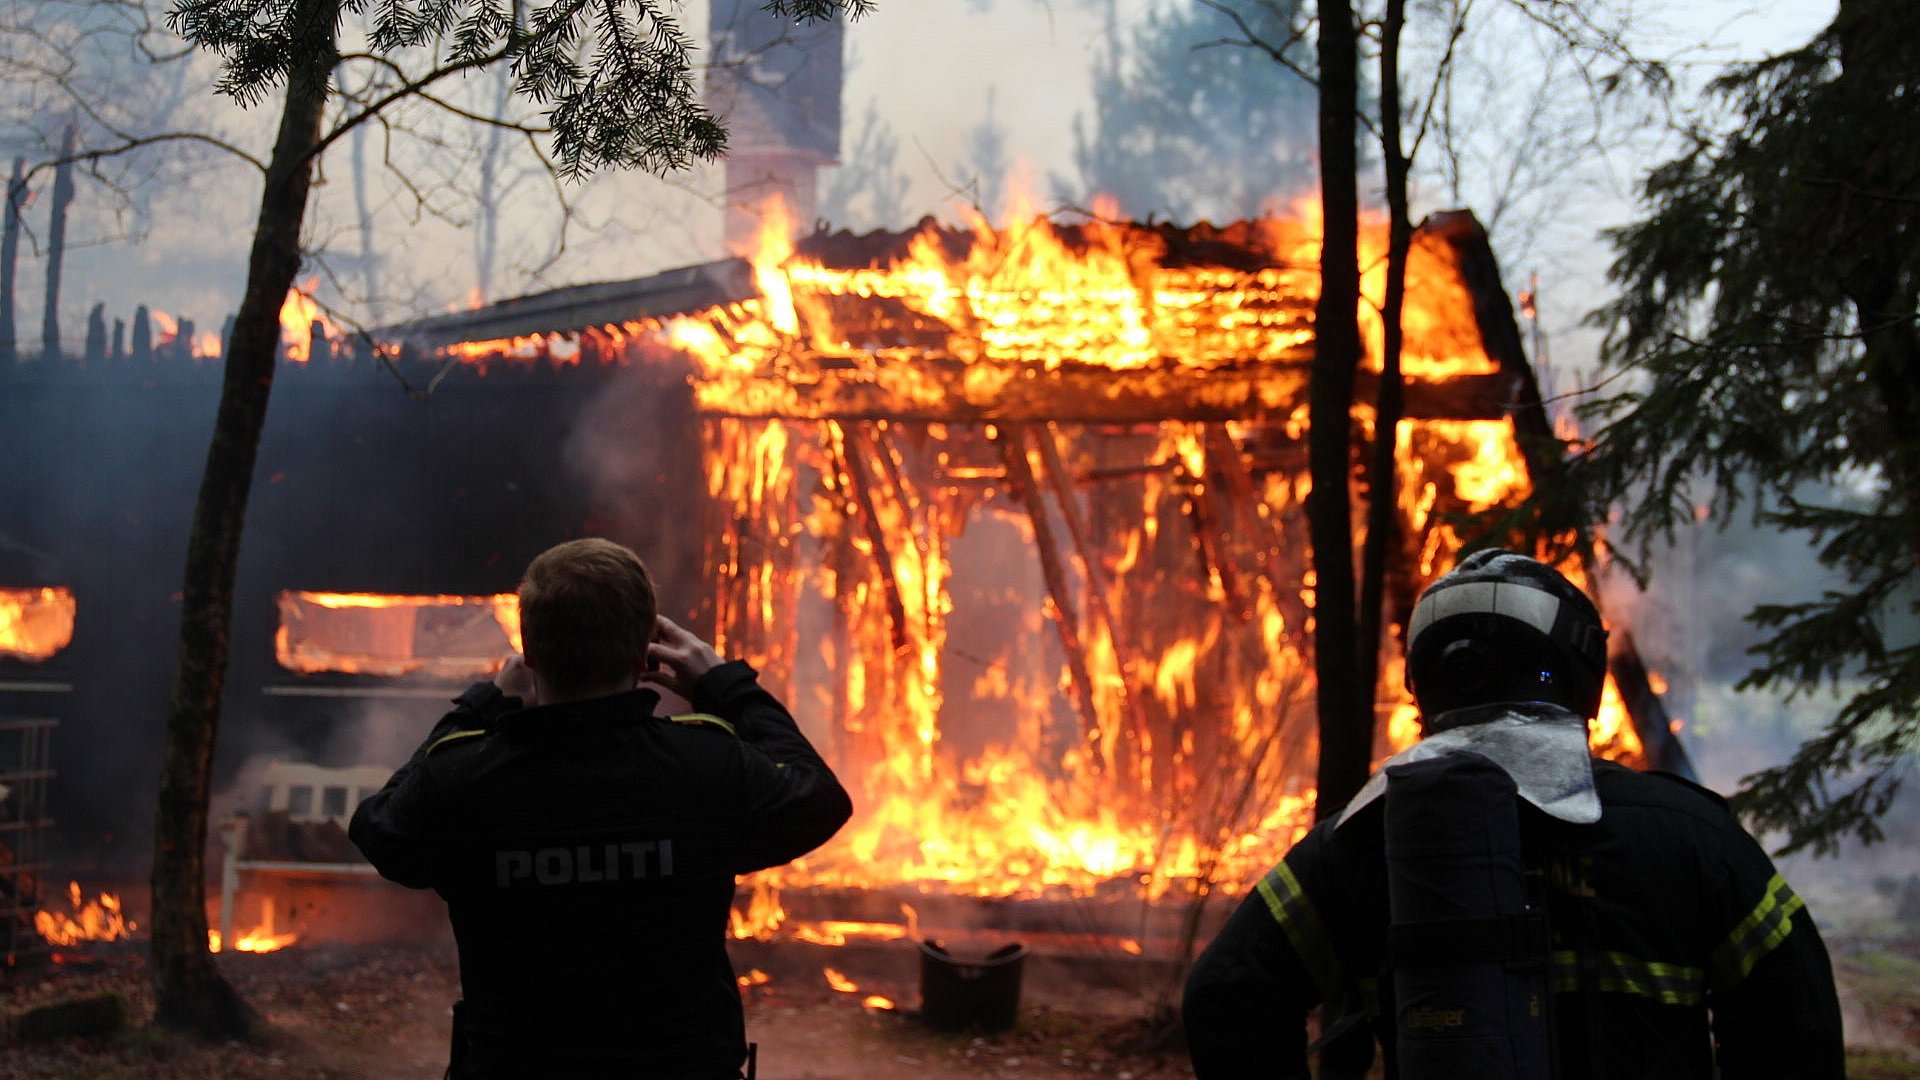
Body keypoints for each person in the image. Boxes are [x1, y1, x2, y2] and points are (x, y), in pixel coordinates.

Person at [1182, 550, 1844, 1079]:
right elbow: (1797, 1028)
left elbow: (1226, 997)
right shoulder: (1688, 836)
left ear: (1422, 681)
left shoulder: (1353, 843)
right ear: (1580, 669)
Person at [349, 538, 852, 1079]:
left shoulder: (463, 778)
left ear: (530, 654)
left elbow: (380, 829)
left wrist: (481, 705)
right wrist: (724, 684)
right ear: (645, 655)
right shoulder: (704, 766)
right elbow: (820, 798)